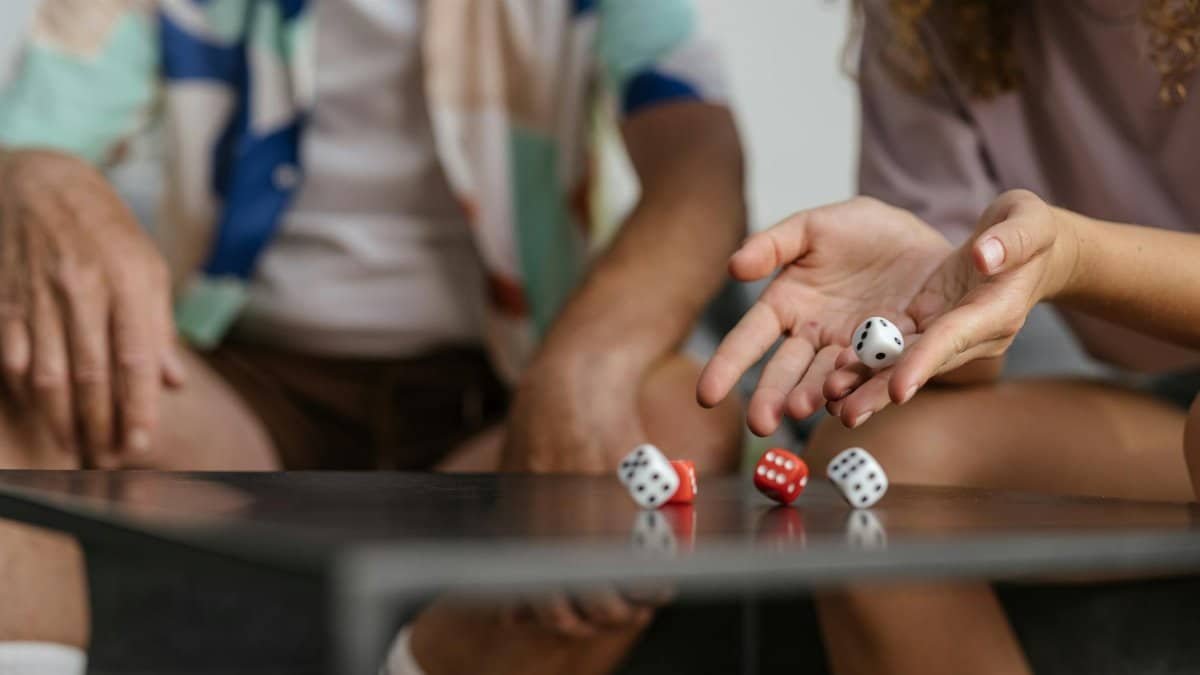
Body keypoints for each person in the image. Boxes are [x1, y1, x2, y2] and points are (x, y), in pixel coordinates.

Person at [0, 1, 746, 673]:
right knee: (12, 354)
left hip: (502, 404)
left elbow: (701, 163)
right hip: (236, 401)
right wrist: (34, 176)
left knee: (684, 416)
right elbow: (28, 137)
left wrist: (585, 366)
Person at [697, 1, 1200, 673]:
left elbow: (1054, 255)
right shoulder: (924, 13)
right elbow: (964, 353)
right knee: (874, 463)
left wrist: (1076, 255)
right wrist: (930, 298)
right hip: (1153, 406)